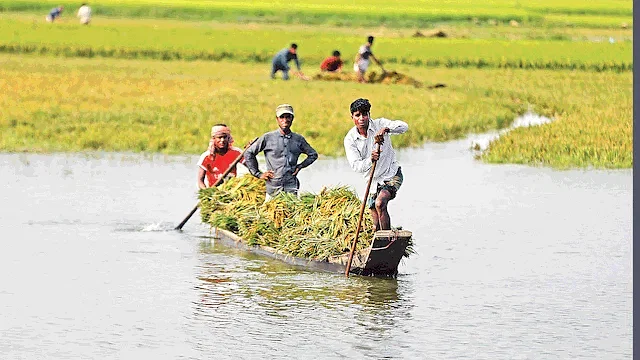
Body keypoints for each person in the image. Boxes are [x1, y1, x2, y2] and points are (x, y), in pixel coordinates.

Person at [343, 98, 408, 231]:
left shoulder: (380, 124)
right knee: (376, 224)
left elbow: (404, 126)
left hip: (391, 175)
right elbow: (356, 166)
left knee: (380, 203)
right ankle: (381, 238)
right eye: (357, 115)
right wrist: (370, 160)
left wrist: (386, 129)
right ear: (352, 117)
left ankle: (387, 239)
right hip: (372, 182)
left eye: (365, 114)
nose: (362, 118)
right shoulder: (350, 139)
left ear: (369, 115)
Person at [244, 104, 318, 198]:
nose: (285, 120)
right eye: (282, 117)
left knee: (293, 210)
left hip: (291, 187)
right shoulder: (267, 138)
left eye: (288, 117)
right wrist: (258, 174)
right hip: (273, 188)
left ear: (292, 118)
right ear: (277, 119)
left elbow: (313, 155)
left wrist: (300, 166)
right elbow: (249, 153)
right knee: (269, 211)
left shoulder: (298, 139)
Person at [197, 124, 246, 189]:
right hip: (215, 192)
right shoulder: (206, 156)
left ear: (228, 138)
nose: (222, 140)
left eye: (225, 137)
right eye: (219, 137)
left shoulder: (236, 152)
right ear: (214, 139)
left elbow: (251, 166)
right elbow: (200, 181)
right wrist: (207, 191)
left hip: (232, 190)